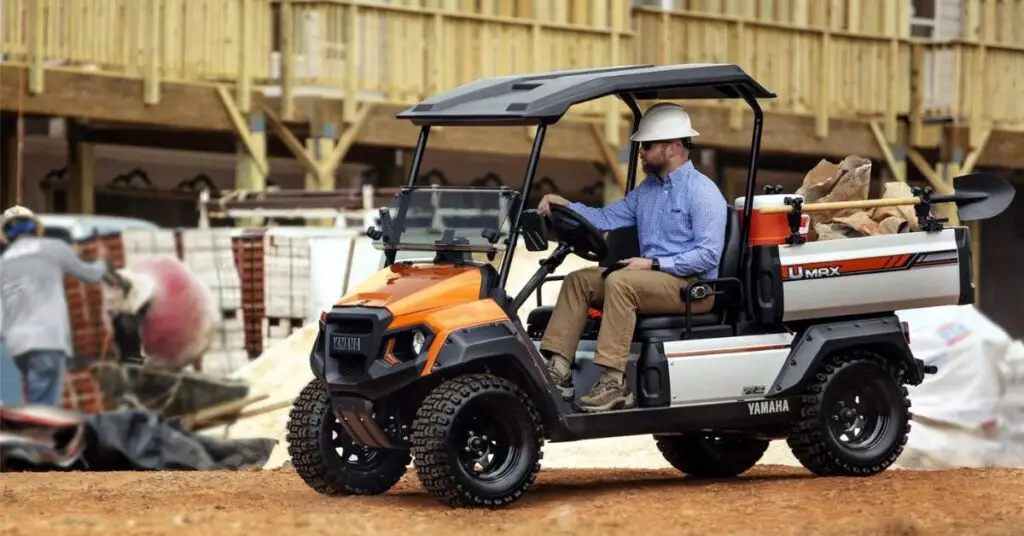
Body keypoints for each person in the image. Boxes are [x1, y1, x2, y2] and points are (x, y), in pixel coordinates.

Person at [536, 103, 728, 413]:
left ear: (674, 146)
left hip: (692, 287)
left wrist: (652, 264)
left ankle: (614, 382)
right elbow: (606, 217)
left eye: (647, 145)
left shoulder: (702, 192)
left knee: (622, 282)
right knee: (579, 281)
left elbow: (707, 256)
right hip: (651, 280)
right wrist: (566, 206)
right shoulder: (647, 191)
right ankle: (558, 371)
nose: (640, 151)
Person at [0, 206, 127, 406]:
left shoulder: (4, 262)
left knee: (35, 396)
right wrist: (102, 259)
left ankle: (35, 430)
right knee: (44, 405)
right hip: (47, 340)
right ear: (34, 228)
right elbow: (91, 274)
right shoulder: (53, 248)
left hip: (17, 345)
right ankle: (40, 435)